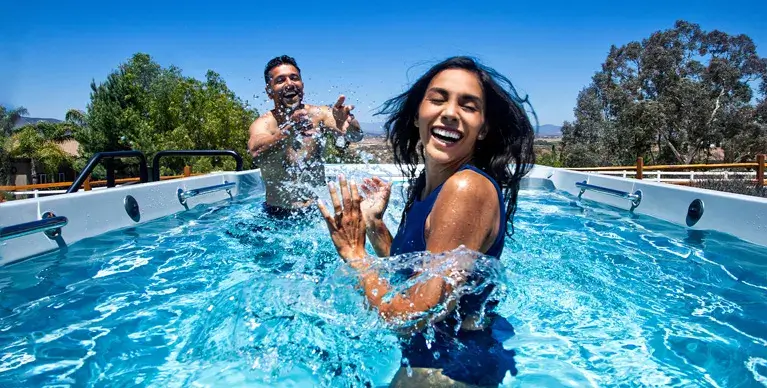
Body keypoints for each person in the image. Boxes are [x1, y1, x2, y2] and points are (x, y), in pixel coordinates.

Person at [317, 56, 536, 387]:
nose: (450, 112)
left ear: (483, 128)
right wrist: (376, 228)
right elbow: (416, 273)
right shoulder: (428, 185)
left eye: (468, 105)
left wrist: (355, 255)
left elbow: (411, 316)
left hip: (452, 367)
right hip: (438, 351)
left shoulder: (466, 188)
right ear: (419, 113)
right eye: (438, 99)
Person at [248, 55, 363, 218]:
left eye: (294, 78)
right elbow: (256, 152)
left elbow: (356, 136)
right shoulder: (264, 123)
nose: (289, 83)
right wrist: (288, 132)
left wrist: (349, 124)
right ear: (269, 91)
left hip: (317, 211)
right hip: (276, 215)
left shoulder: (320, 114)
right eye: (280, 80)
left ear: (302, 85)